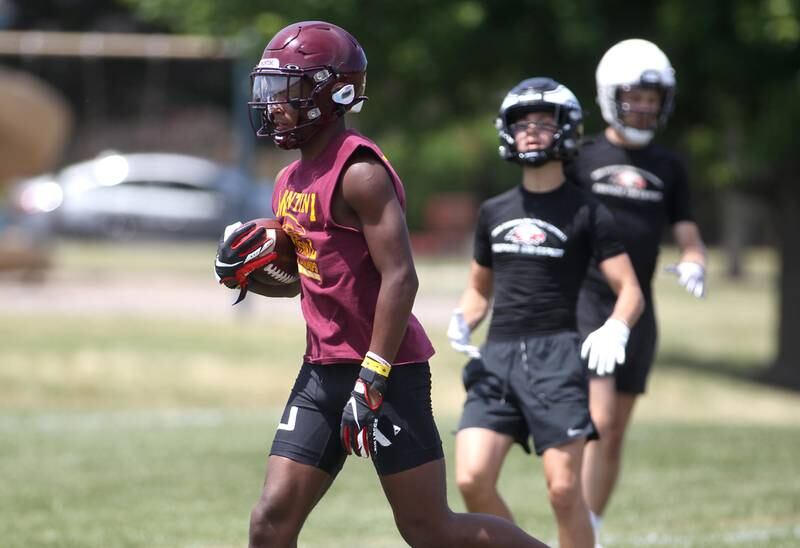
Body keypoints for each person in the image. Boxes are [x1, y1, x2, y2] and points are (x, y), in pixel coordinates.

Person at [214, 21, 549, 548]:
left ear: (333, 93)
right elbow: (311, 281)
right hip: (322, 371)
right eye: (272, 89)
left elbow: (401, 277)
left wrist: (373, 377)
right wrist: (253, 275)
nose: (274, 103)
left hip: (386, 369)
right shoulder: (287, 180)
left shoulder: (360, 170)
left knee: (429, 531)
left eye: (290, 89)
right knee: (270, 520)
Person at [447, 77, 644, 548]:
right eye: (521, 123)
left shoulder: (588, 211)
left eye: (542, 122)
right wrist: (463, 318)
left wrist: (617, 326)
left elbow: (631, 290)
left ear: (567, 130)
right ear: (506, 132)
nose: (531, 131)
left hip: (558, 359)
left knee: (562, 490)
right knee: (472, 479)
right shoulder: (493, 211)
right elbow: (479, 291)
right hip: (496, 359)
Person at [565, 39, 708, 545]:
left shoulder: (670, 166)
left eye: (653, 98)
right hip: (590, 301)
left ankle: (593, 529)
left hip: (639, 307)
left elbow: (688, 235)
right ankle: (575, 524)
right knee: (599, 420)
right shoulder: (581, 157)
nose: (645, 107)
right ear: (611, 95)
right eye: (636, 97)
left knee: (617, 431)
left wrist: (694, 263)